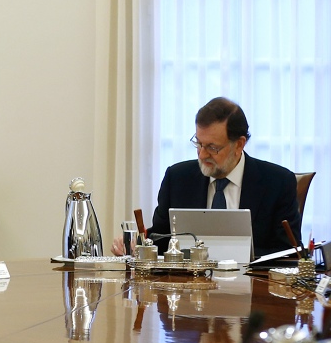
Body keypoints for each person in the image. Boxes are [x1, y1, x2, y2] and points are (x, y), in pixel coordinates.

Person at [111, 97, 300, 257]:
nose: (202, 155)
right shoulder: (177, 178)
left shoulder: (278, 183)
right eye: (199, 143)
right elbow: (160, 239)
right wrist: (135, 245)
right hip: (189, 287)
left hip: (253, 286)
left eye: (212, 147)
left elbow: (288, 253)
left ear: (239, 144)